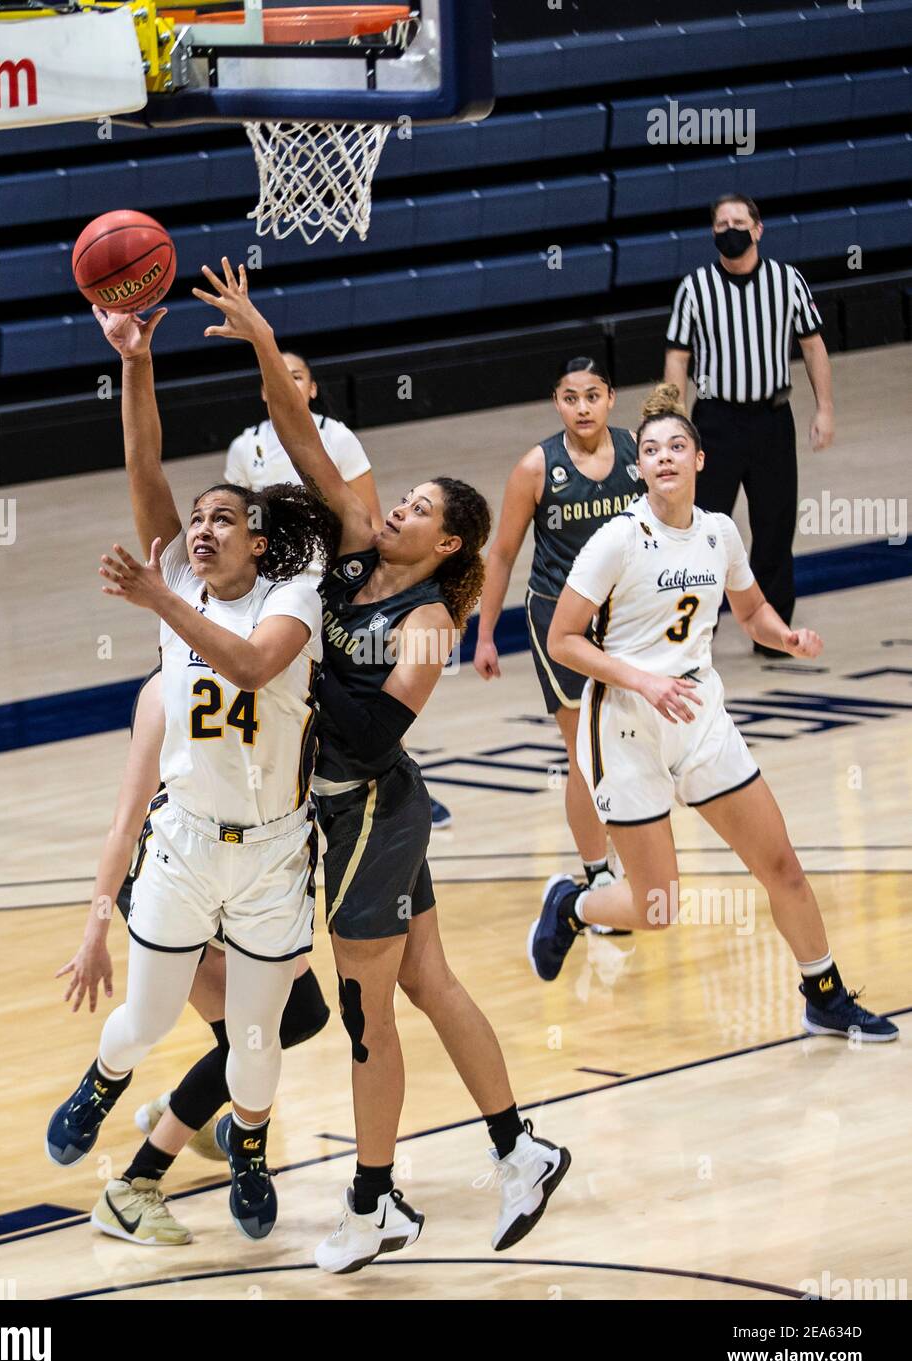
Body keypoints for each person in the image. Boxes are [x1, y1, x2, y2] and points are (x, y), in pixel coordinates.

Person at [193, 257, 572, 1274]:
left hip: (369, 808)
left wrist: (296, 680)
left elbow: (366, 738)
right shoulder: (355, 549)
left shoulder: (431, 624)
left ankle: (373, 1201)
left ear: (449, 541)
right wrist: (267, 342)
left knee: (367, 1012)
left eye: (417, 508)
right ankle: (519, 1146)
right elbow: (301, 435)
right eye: (398, 498)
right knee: (430, 984)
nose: (394, 508)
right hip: (373, 812)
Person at [45, 302, 339, 1246]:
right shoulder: (174, 573)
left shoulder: (290, 596)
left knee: (258, 1047)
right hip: (182, 847)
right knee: (139, 1022)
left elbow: (252, 669)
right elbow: (145, 465)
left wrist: (162, 595)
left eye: (225, 517)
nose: (203, 527)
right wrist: (135, 362)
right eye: (197, 519)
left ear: (257, 541)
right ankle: (103, 1084)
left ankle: (246, 1144)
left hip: (269, 858)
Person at [527, 383, 897, 1045]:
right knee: (656, 906)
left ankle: (825, 994)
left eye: (676, 446)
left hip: (700, 715)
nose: (663, 456)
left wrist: (783, 636)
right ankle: (574, 905)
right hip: (626, 725)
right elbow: (562, 641)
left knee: (780, 862)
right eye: (650, 449)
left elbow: (749, 611)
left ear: (700, 460)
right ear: (638, 467)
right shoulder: (617, 540)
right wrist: (642, 678)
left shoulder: (720, 532)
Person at [55, 665, 330, 1246]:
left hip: (252, 871)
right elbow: (124, 822)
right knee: (229, 1035)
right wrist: (94, 933)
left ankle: (191, 1116)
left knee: (299, 1015)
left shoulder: (284, 654)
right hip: (174, 867)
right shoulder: (172, 684)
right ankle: (131, 1179)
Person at [227, 348, 454, 831]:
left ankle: (392, 784)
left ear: (311, 388)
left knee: (365, 684)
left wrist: (365, 574)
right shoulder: (244, 447)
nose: (288, 385)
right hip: (280, 584)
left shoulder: (337, 437)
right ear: (265, 389)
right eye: (278, 377)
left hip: (331, 575)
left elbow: (366, 514)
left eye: (298, 376)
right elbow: (238, 522)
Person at [474, 357, 643, 923]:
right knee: (584, 751)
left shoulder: (641, 454)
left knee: (627, 743)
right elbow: (501, 553)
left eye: (592, 396)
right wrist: (487, 633)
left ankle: (631, 854)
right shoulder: (535, 466)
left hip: (625, 618)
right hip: (559, 621)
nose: (583, 407)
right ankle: (596, 873)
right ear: (557, 402)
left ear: (611, 399)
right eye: (571, 398)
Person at [665, 193, 835, 655]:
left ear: (758, 229)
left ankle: (776, 637)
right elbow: (677, 356)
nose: (731, 229)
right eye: (722, 223)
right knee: (702, 527)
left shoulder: (787, 281)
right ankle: (696, 636)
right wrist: (675, 425)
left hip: (771, 419)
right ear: (713, 232)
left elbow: (814, 345)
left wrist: (824, 409)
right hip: (714, 422)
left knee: (775, 525)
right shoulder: (695, 287)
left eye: (739, 221)